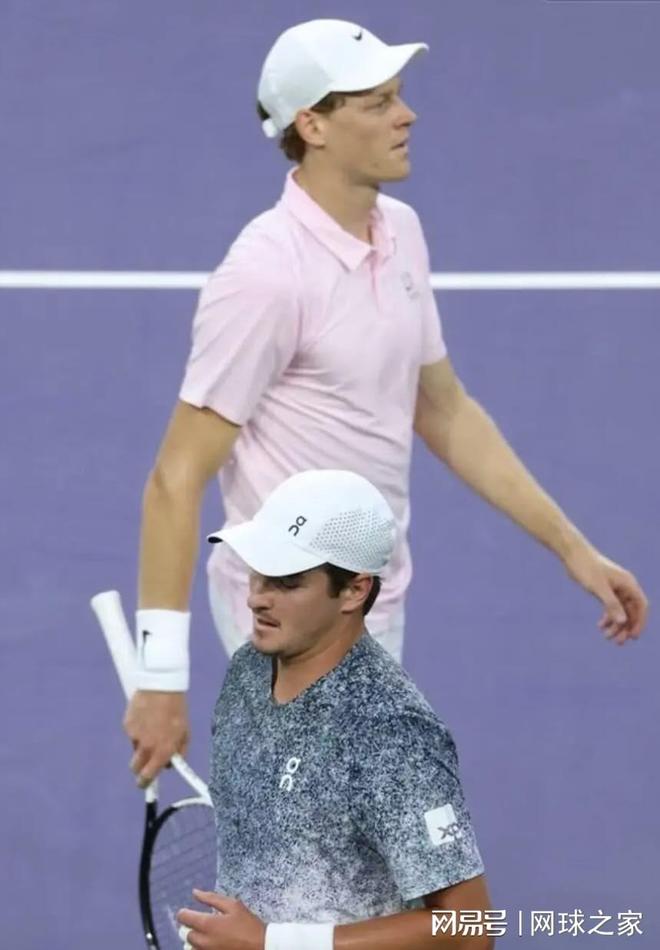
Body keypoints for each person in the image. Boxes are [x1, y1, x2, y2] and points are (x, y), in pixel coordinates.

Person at [125, 19, 648, 789]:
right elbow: (175, 478)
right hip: (292, 615)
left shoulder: (399, 231)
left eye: (398, 97)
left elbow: (442, 408)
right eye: (377, 103)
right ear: (314, 125)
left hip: (368, 592)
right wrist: (161, 678)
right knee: (339, 834)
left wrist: (575, 550)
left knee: (350, 835)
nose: (408, 116)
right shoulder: (265, 278)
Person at [177, 469, 495, 950]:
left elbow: (471, 928)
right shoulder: (247, 671)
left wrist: (274, 943)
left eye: (287, 581)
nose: (256, 596)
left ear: (354, 590)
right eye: (258, 570)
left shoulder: (390, 730)